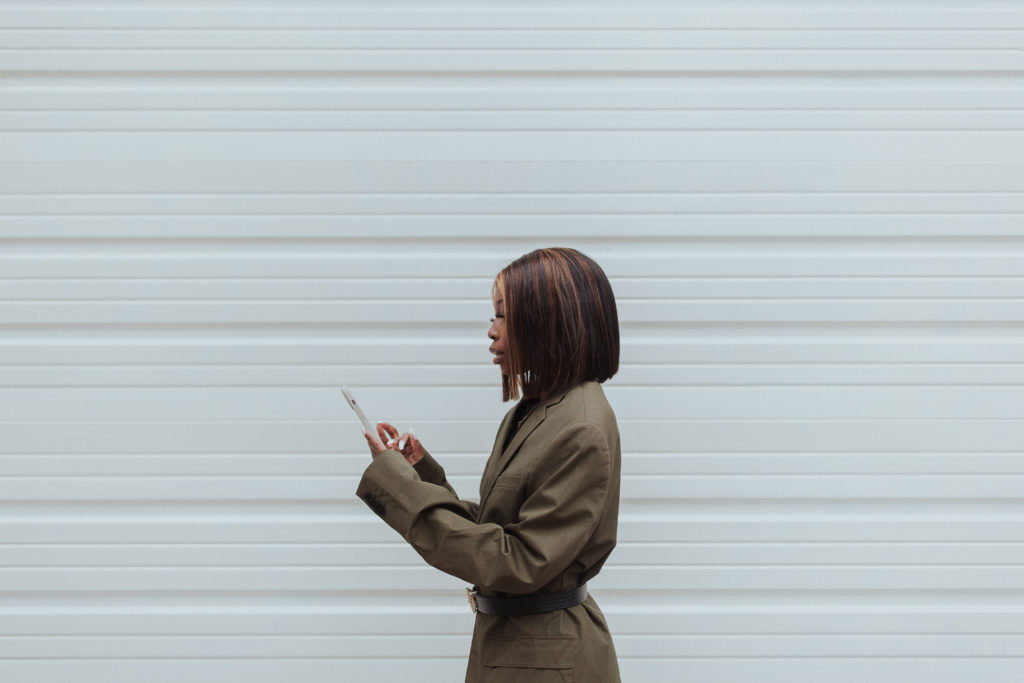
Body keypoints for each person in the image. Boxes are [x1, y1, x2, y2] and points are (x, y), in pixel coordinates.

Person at [357, 247, 622, 682]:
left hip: (546, 661)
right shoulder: (539, 409)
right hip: (520, 647)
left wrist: (398, 487)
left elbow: (518, 560)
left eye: (503, 316)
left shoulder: (582, 428)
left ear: (546, 322)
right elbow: (497, 527)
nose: (491, 331)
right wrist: (421, 473)